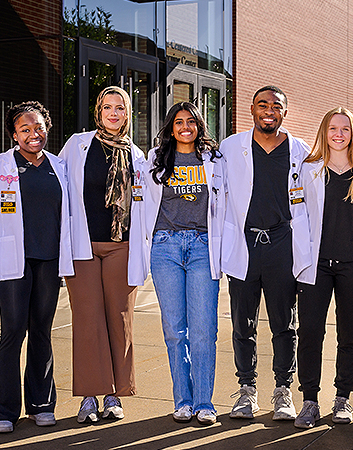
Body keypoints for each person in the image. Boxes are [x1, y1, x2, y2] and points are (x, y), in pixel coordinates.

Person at [220, 85, 310, 421]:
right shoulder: (231, 148)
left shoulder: (300, 150)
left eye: (276, 105)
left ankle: (283, 391)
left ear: (285, 112)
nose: (269, 110)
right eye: (262, 104)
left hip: (282, 245)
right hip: (244, 243)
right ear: (252, 110)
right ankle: (247, 390)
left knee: (284, 324)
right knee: (243, 324)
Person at [58, 86, 148, 423]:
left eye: (120, 108)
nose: (113, 113)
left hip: (121, 247)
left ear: (127, 114)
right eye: (107, 107)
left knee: (119, 321)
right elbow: (53, 174)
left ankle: (114, 395)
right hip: (83, 246)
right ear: (98, 111)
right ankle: (89, 397)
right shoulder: (78, 145)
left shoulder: (138, 155)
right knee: (87, 321)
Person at [0, 101, 73, 433]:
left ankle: (41, 404)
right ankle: (4, 410)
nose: (34, 135)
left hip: (49, 260)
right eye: (25, 129)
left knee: (42, 332)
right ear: (14, 134)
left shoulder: (59, 166)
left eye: (39, 128)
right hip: (14, 262)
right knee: (12, 332)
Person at [292, 107, 353, 429]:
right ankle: (310, 400)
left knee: (350, 336)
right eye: (332, 129)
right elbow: (297, 215)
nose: (338, 134)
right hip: (316, 266)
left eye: (345, 129)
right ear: (324, 133)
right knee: (310, 333)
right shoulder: (308, 169)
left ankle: (343, 397)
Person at [144, 102, 225, 426]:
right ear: (171, 127)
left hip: (204, 247)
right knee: (175, 331)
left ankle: (205, 401)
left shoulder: (214, 160)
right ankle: (183, 401)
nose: (185, 127)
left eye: (191, 121)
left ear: (200, 125)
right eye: (179, 122)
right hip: (165, 247)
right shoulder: (156, 159)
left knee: (204, 329)